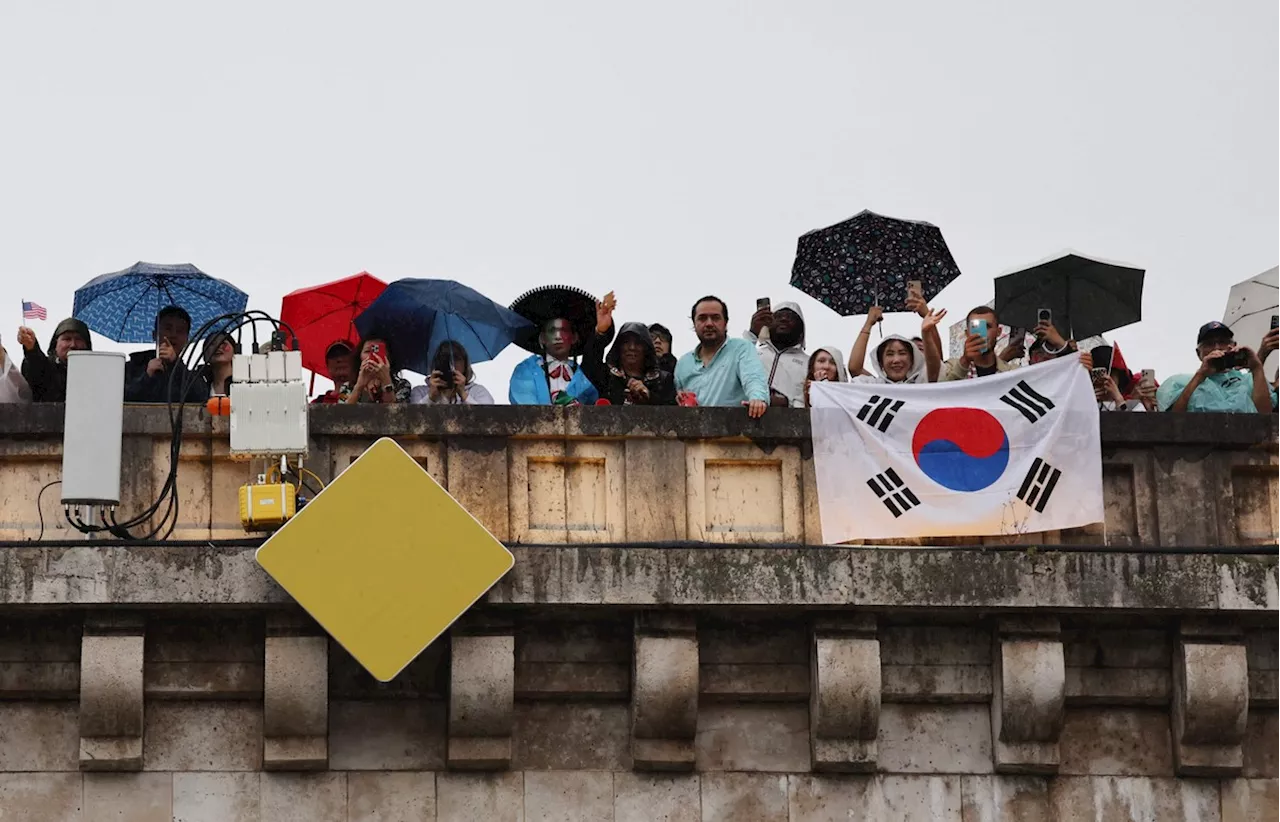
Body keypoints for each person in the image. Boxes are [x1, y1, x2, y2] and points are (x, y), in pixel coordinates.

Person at [508, 293, 611, 406]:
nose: (558, 336)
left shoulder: (581, 373)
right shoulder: (527, 369)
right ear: (542, 338)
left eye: (564, 330)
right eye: (552, 330)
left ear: (574, 338)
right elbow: (525, 405)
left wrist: (600, 330)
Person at [674, 296, 769, 418]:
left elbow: (753, 378)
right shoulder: (683, 363)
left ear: (725, 323)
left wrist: (757, 399)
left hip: (734, 432)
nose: (709, 323)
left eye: (715, 318)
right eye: (702, 318)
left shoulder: (741, 348)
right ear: (694, 324)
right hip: (695, 432)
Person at [1157, 321, 1277, 414]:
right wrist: (1201, 375)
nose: (1217, 347)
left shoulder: (1250, 380)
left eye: (1223, 342)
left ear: (1233, 346)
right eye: (1209, 344)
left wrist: (1257, 367)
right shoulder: (1180, 383)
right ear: (1198, 353)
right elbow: (1174, 419)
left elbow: (1265, 417)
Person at [582, 299, 676, 405]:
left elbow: (673, 410)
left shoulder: (663, 380)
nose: (632, 347)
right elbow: (588, 366)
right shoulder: (605, 376)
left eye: (638, 343)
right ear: (619, 347)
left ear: (647, 348)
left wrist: (648, 396)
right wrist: (600, 332)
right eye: (626, 342)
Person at [849, 298, 946, 385]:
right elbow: (854, 369)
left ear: (913, 360)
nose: (896, 360)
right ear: (880, 362)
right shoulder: (873, 385)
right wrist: (868, 324)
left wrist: (927, 326)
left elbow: (936, 366)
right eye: (890, 354)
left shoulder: (921, 383)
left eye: (902, 353)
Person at [124, 306, 207, 404]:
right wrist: (147, 376)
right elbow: (120, 397)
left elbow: (201, 397)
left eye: (180, 331)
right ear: (154, 334)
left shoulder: (190, 375)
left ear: (187, 340)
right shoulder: (132, 367)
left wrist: (175, 364)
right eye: (168, 328)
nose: (173, 335)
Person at [746, 300, 807, 407]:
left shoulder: (809, 363)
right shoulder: (753, 354)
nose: (784, 319)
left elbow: (812, 402)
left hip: (789, 422)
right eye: (778, 316)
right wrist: (752, 334)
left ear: (801, 329)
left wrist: (787, 403)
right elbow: (730, 369)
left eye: (791, 317)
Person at [16, 318, 91, 402]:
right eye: (67, 339)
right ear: (55, 344)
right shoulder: (46, 369)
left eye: (78, 339)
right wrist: (31, 348)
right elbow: (35, 364)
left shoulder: (95, 374)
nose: (73, 345)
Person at [941, 306, 1021, 381]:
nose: (982, 334)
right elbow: (941, 393)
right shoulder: (951, 367)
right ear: (967, 333)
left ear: (998, 331)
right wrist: (964, 361)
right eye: (975, 328)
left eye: (987, 326)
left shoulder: (1013, 372)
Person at [411, 340, 495, 405]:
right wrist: (430, 397)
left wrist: (464, 395)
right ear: (436, 363)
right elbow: (412, 421)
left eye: (456, 358)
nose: (451, 363)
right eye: (445, 358)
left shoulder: (478, 392)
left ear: (465, 364)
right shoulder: (420, 392)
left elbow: (488, 418)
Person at [342, 336, 411, 404]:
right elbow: (342, 412)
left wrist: (386, 381)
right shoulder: (347, 386)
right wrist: (359, 386)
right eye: (367, 351)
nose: (373, 355)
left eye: (378, 351)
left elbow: (396, 413)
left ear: (389, 357)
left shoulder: (401, 385)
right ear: (359, 356)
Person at [1090, 343, 1156, 412]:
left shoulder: (1134, 405)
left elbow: (1134, 422)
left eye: (1111, 375)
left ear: (1119, 377)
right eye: (1098, 375)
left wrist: (1119, 401)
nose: (1106, 380)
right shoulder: (1086, 403)